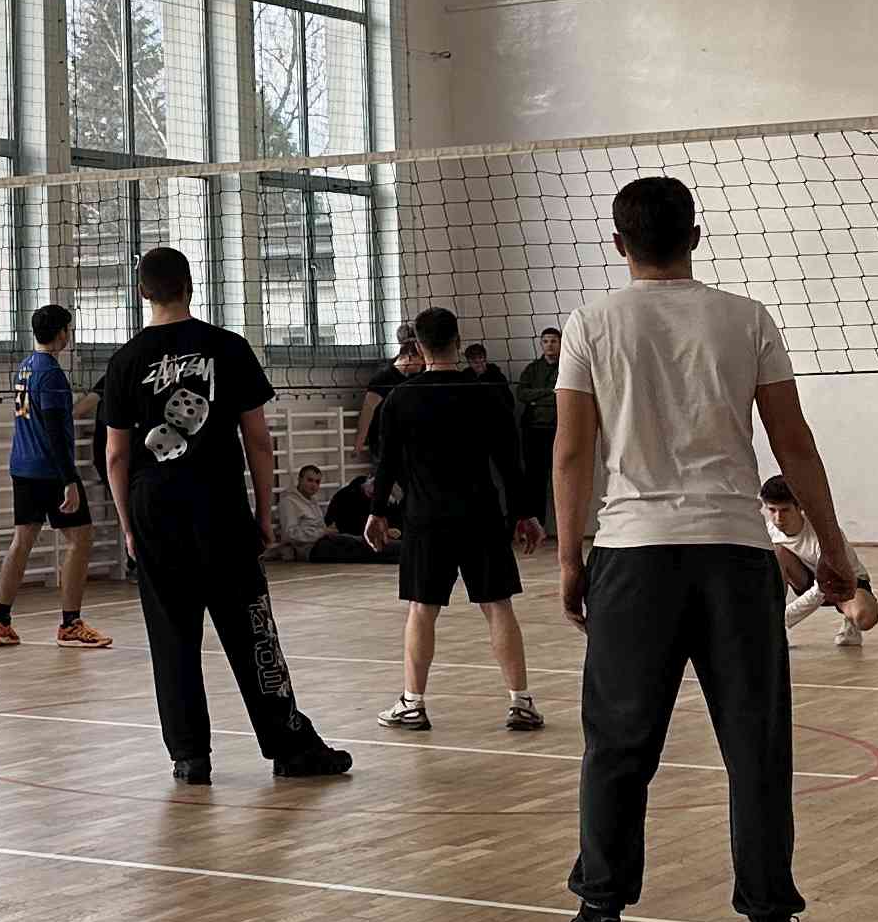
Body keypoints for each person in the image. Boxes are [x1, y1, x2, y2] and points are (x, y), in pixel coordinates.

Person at [546, 177, 854, 922]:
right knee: (756, 745)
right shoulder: (746, 318)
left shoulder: (589, 323)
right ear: (695, 235)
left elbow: (572, 453)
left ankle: (598, 916)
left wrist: (571, 560)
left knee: (618, 745)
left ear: (619, 244)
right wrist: (835, 548)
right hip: (734, 557)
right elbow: (794, 442)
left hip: (632, 558)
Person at [95, 245, 353, 785]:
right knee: (251, 628)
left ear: (142, 293)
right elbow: (258, 440)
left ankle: (190, 757)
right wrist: (264, 513)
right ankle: (290, 748)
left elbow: (115, 456)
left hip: (154, 510)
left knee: (172, 638)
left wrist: (128, 527)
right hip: (218, 505)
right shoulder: (229, 347)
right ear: (191, 286)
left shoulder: (124, 361)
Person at [365, 306, 545, 735]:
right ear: (458, 342)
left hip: (426, 518)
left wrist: (377, 512)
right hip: (481, 515)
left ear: (417, 346)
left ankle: (413, 704)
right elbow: (511, 463)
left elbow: (386, 463)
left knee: (421, 609)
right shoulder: (486, 394)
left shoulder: (400, 398)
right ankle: (521, 702)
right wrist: (526, 514)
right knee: (497, 605)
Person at [0, 301, 110, 647]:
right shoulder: (52, 375)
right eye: (68, 329)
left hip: (22, 467)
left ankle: (1, 622)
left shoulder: (25, 367)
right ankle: (70, 624)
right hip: (50, 471)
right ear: (62, 333)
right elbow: (57, 432)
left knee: (21, 542)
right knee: (80, 538)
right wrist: (69, 479)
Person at [764, 477, 878, 651]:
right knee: (774, 553)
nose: (778, 518)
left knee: (865, 618)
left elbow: (822, 589)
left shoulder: (824, 534)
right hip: (805, 579)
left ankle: (851, 622)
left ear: (799, 507)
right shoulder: (768, 532)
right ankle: (777, 632)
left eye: (785, 510)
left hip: (843, 583)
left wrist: (782, 619)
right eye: (772, 510)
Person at [515, 326, 564, 525]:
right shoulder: (532, 369)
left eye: (553, 341)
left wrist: (537, 399)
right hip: (533, 431)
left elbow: (564, 397)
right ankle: (538, 527)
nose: (549, 345)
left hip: (558, 430)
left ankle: (565, 528)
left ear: (560, 343)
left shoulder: (567, 368)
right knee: (535, 480)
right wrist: (549, 393)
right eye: (546, 341)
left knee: (563, 479)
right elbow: (522, 394)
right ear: (541, 344)